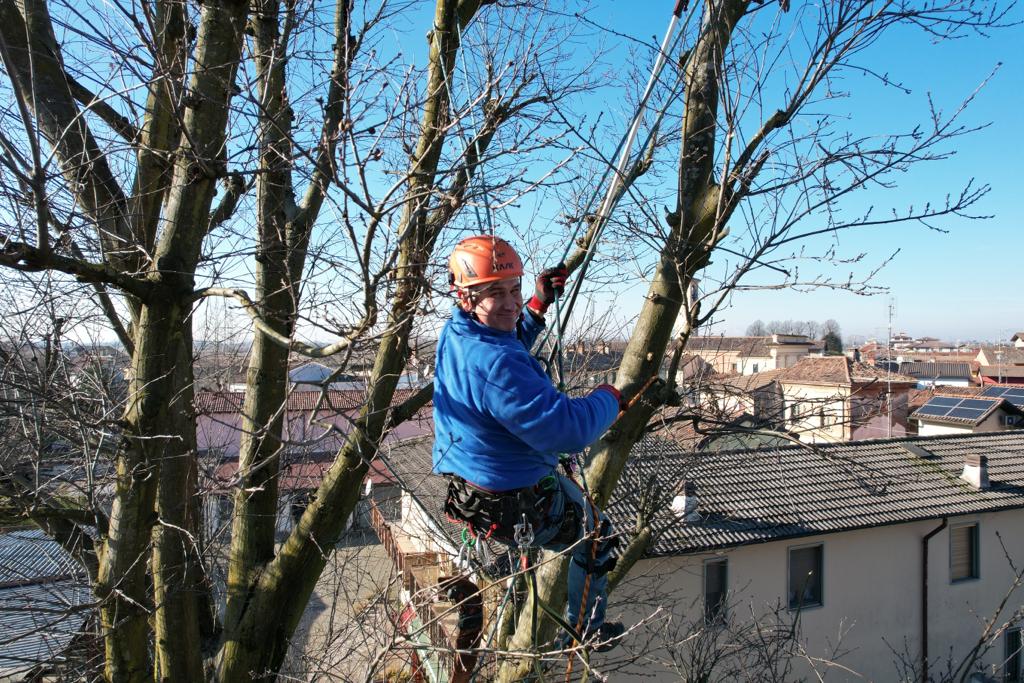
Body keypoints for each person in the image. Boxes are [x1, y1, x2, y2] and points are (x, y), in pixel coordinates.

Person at [432, 234, 625, 650]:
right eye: (494, 293)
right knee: (598, 537)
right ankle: (586, 629)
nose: (510, 302)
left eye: (515, 289)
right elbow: (570, 429)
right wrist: (609, 399)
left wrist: (537, 307)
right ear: (466, 297)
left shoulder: (458, 334)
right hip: (516, 499)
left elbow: (504, 340)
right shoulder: (498, 365)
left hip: (473, 488)